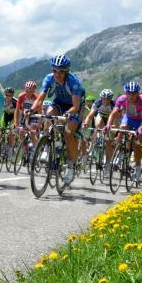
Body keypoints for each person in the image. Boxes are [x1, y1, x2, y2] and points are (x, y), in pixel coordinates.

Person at [31, 54, 85, 186]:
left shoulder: (74, 82)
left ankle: (71, 166)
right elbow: (40, 99)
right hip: (59, 103)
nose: (57, 74)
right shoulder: (49, 79)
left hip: (74, 106)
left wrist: (68, 113)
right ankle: (46, 146)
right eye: (54, 70)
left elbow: (76, 106)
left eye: (61, 71)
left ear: (66, 71)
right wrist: (31, 110)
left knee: (68, 134)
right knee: (48, 115)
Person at [105, 81, 142, 185]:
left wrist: (141, 128)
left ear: (138, 93)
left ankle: (137, 167)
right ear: (126, 93)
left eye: (134, 93)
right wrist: (108, 124)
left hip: (140, 121)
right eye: (129, 93)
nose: (131, 96)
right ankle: (119, 154)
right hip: (128, 118)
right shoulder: (121, 99)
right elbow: (113, 113)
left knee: (136, 144)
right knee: (122, 127)